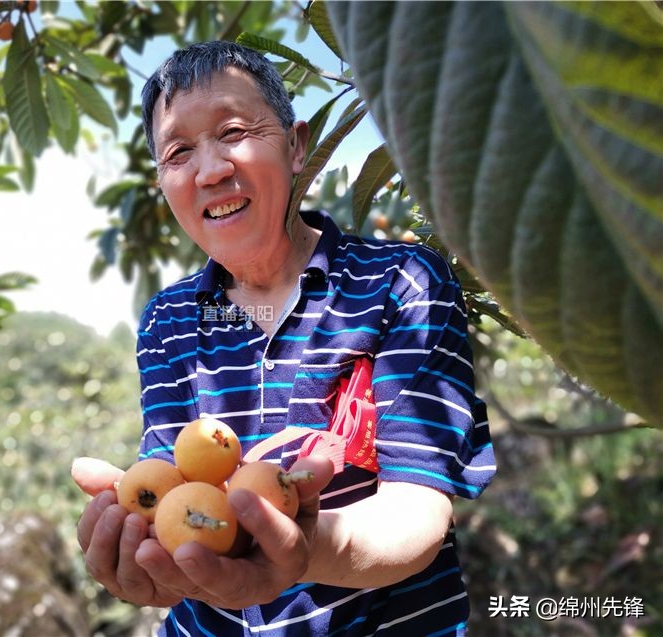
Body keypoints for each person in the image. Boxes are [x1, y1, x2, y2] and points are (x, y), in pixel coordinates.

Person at [72, 40, 496, 636]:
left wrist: (302, 552)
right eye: (179, 151)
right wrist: (151, 557)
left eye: (235, 131)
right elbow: (177, 491)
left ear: (297, 146)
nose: (212, 168)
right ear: (164, 181)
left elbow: (418, 511)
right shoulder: (166, 322)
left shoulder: (401, 284)